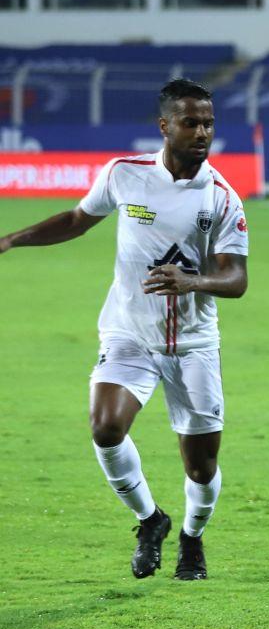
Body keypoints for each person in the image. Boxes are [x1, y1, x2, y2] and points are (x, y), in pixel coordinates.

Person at [0, 78, 249, 581]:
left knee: (200, 467)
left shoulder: (223, 198)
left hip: (193, 345)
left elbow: (237, 278)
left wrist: (191, 280)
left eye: (208, 123)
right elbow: (76, 219)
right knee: (105, 428)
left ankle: (193, 540)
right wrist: (10, 240)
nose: (202, 132)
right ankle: (150, 520)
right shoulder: (124, 174)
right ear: (165, 126)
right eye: (191, 122)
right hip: (128, 333)